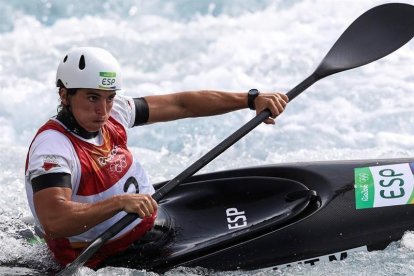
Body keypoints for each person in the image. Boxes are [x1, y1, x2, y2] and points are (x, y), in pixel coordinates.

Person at [24, 47, 289, 268]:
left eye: (109, 97)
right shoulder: (53, 149)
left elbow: (181, 104)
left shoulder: (114, 112)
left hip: (152, 226)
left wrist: (250, 99)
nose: (103, 110)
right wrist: (118, 203)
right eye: (92, 98)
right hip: (105, 257)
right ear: (64, 95)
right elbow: (54, 221)